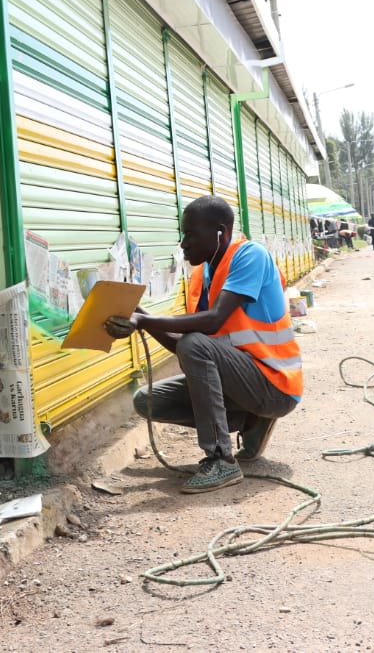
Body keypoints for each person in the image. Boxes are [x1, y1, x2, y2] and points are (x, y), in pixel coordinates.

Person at [103, 195, 302, 493]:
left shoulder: (251, 255)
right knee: (147, 400)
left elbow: (211, 323)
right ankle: (250, 420)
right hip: (242, 384)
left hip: (275, 385)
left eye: (191, 234)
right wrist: (140, 314)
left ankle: (221, 460)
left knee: (194, 343)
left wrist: (145, 322)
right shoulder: (204, 275)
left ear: (221, 232)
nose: (184, 243)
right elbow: (186, 347)